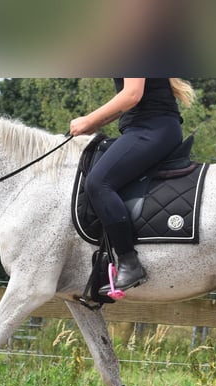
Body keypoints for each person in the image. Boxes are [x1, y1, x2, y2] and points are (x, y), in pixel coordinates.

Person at [69, 78, 195, 295]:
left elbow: (132, 95)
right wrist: (95, 124)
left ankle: (129, 262)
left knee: (99, 183)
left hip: (151, 128)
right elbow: (129, 101)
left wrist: (89, 121)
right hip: (146, 128)